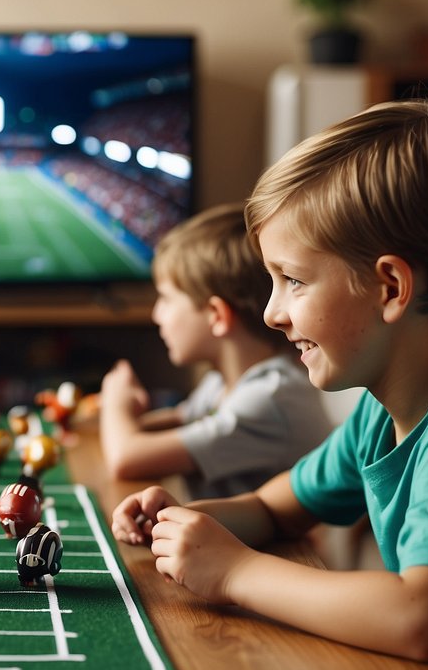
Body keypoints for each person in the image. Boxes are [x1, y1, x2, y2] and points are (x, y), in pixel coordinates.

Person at [111, 100, 428, 670]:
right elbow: (277, 507)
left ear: (391, 286)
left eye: (292, 280)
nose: (272, 312)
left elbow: (425, 618)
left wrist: (236, 571)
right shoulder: (382, 409)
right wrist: (185, 522)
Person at [99, 203, 332, 499]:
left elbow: (127, 458)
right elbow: (181, 419)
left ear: (216, 315)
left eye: (166, 299)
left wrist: (115, 404)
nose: (156, 314)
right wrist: (128, 419)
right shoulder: (223, 382)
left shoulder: (270, 397)